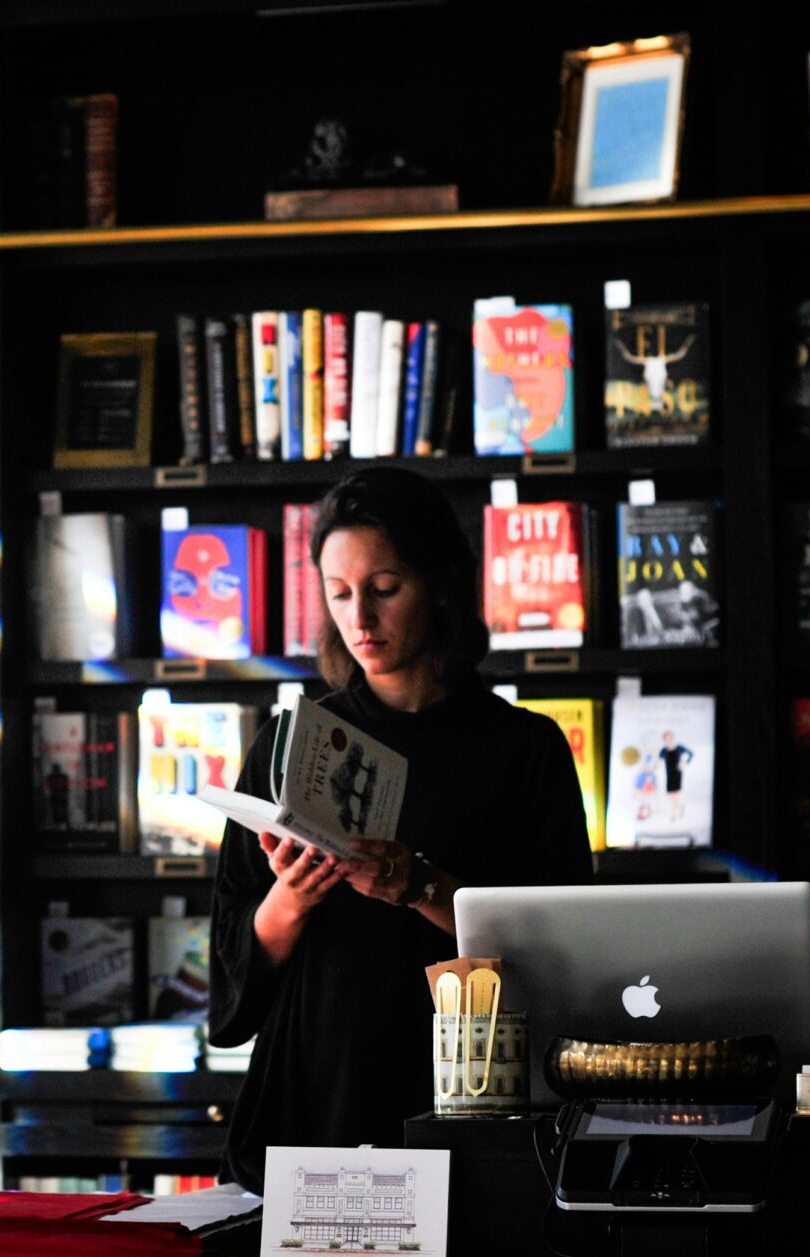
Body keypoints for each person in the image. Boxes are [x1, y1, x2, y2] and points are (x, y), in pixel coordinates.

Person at [208, 467, 592, 1187]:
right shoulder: (289, 745)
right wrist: (290, 897)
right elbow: (229, 994)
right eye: (340, 593)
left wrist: (415, 882)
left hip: (469, 1099)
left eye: (385, 588)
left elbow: (562, 953)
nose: (361, 618)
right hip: (313, 1101)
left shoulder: (525, 749)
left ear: (440, 581)